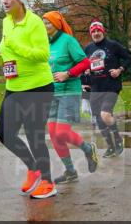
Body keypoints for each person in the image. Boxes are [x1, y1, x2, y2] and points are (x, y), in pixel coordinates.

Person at [0, 0, 56, 199]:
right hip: (14, 87)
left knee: (34, 135)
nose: (5, 1)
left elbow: (42, 54)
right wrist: (0, 56)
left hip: (38, 87)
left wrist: (14, 46)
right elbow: (7, 47)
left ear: (21, 0)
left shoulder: (35, 22)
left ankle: (48, 182)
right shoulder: (5, 22)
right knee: (5, 134)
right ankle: (33, 168)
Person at [43, 11, 100, 184]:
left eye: (48, 23)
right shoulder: (44, 43)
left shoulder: (68, 41)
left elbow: (85, 62)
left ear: (57, 24)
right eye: (43, 23)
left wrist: (67, 74)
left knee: (62, 131)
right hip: (51, 92)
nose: (45, 26)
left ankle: (88, 149)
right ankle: (70, 171)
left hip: (69, 91)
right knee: (54, 135)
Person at [83, 21, 131, 158]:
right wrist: (85, 73)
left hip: (111, 85)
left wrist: (119, 70)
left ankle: (118, 140)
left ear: (103, 31)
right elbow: (83, 65)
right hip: (95, 87)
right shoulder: (88, 49)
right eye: (93, 31)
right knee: (98, 118)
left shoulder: (113, 45)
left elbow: (129, 58)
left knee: (105, 114)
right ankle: (110, 146)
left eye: (98, 30)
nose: (96, 33)